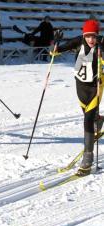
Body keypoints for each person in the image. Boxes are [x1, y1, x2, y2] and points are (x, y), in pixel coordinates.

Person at [51, 20, 103, 176]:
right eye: (88, 36)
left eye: (94, 36)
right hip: (80, 86)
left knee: (87, 120)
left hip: (96, 87)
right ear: (84, 35)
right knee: (89, 116)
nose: (91, 40)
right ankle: (98, 120)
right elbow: (57, 50)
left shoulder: (101, 45)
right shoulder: (78, 41)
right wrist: (55, 45)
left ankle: (88, 159)